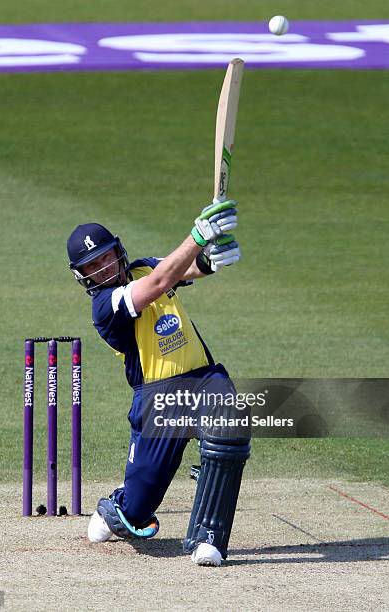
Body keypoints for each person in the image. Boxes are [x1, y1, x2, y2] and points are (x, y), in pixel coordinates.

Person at [66, 200, 251, 566]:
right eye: (92, 266)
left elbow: (182, 269)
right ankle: (117, 509)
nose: (102, 268)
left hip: (202, 377)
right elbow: (161, 282)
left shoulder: (143, 268)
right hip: (157, 399)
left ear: (118, 252)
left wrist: (213, 258)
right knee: (138, 509)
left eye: (105, 258)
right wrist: (199, 234)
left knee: (229, 427)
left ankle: (208, 537)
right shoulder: (106, 306)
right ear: (83, 276)